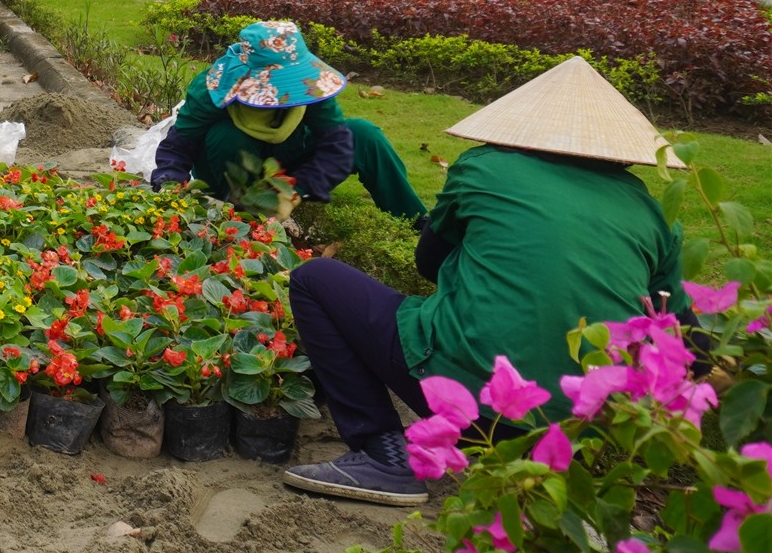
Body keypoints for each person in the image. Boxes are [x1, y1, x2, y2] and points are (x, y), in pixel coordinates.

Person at [280, 57, 697, 507]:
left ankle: (382, 454)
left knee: (314, 278)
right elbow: (679, 329)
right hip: (575, 430)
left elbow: (428, 261)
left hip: (468, 402)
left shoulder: (485, 168)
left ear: (523, 123)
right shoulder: (655, 216)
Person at [150, 21, 426, 221]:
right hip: (228, 164)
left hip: (290, 157)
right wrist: (170, 186)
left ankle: (416, 223)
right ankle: (244, 215)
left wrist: (295, 190)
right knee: (227, 134)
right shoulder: (215, 86)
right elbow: (179, 146)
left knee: (363, 134)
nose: (286, 91)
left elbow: (336, 144)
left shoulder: (309, 85)